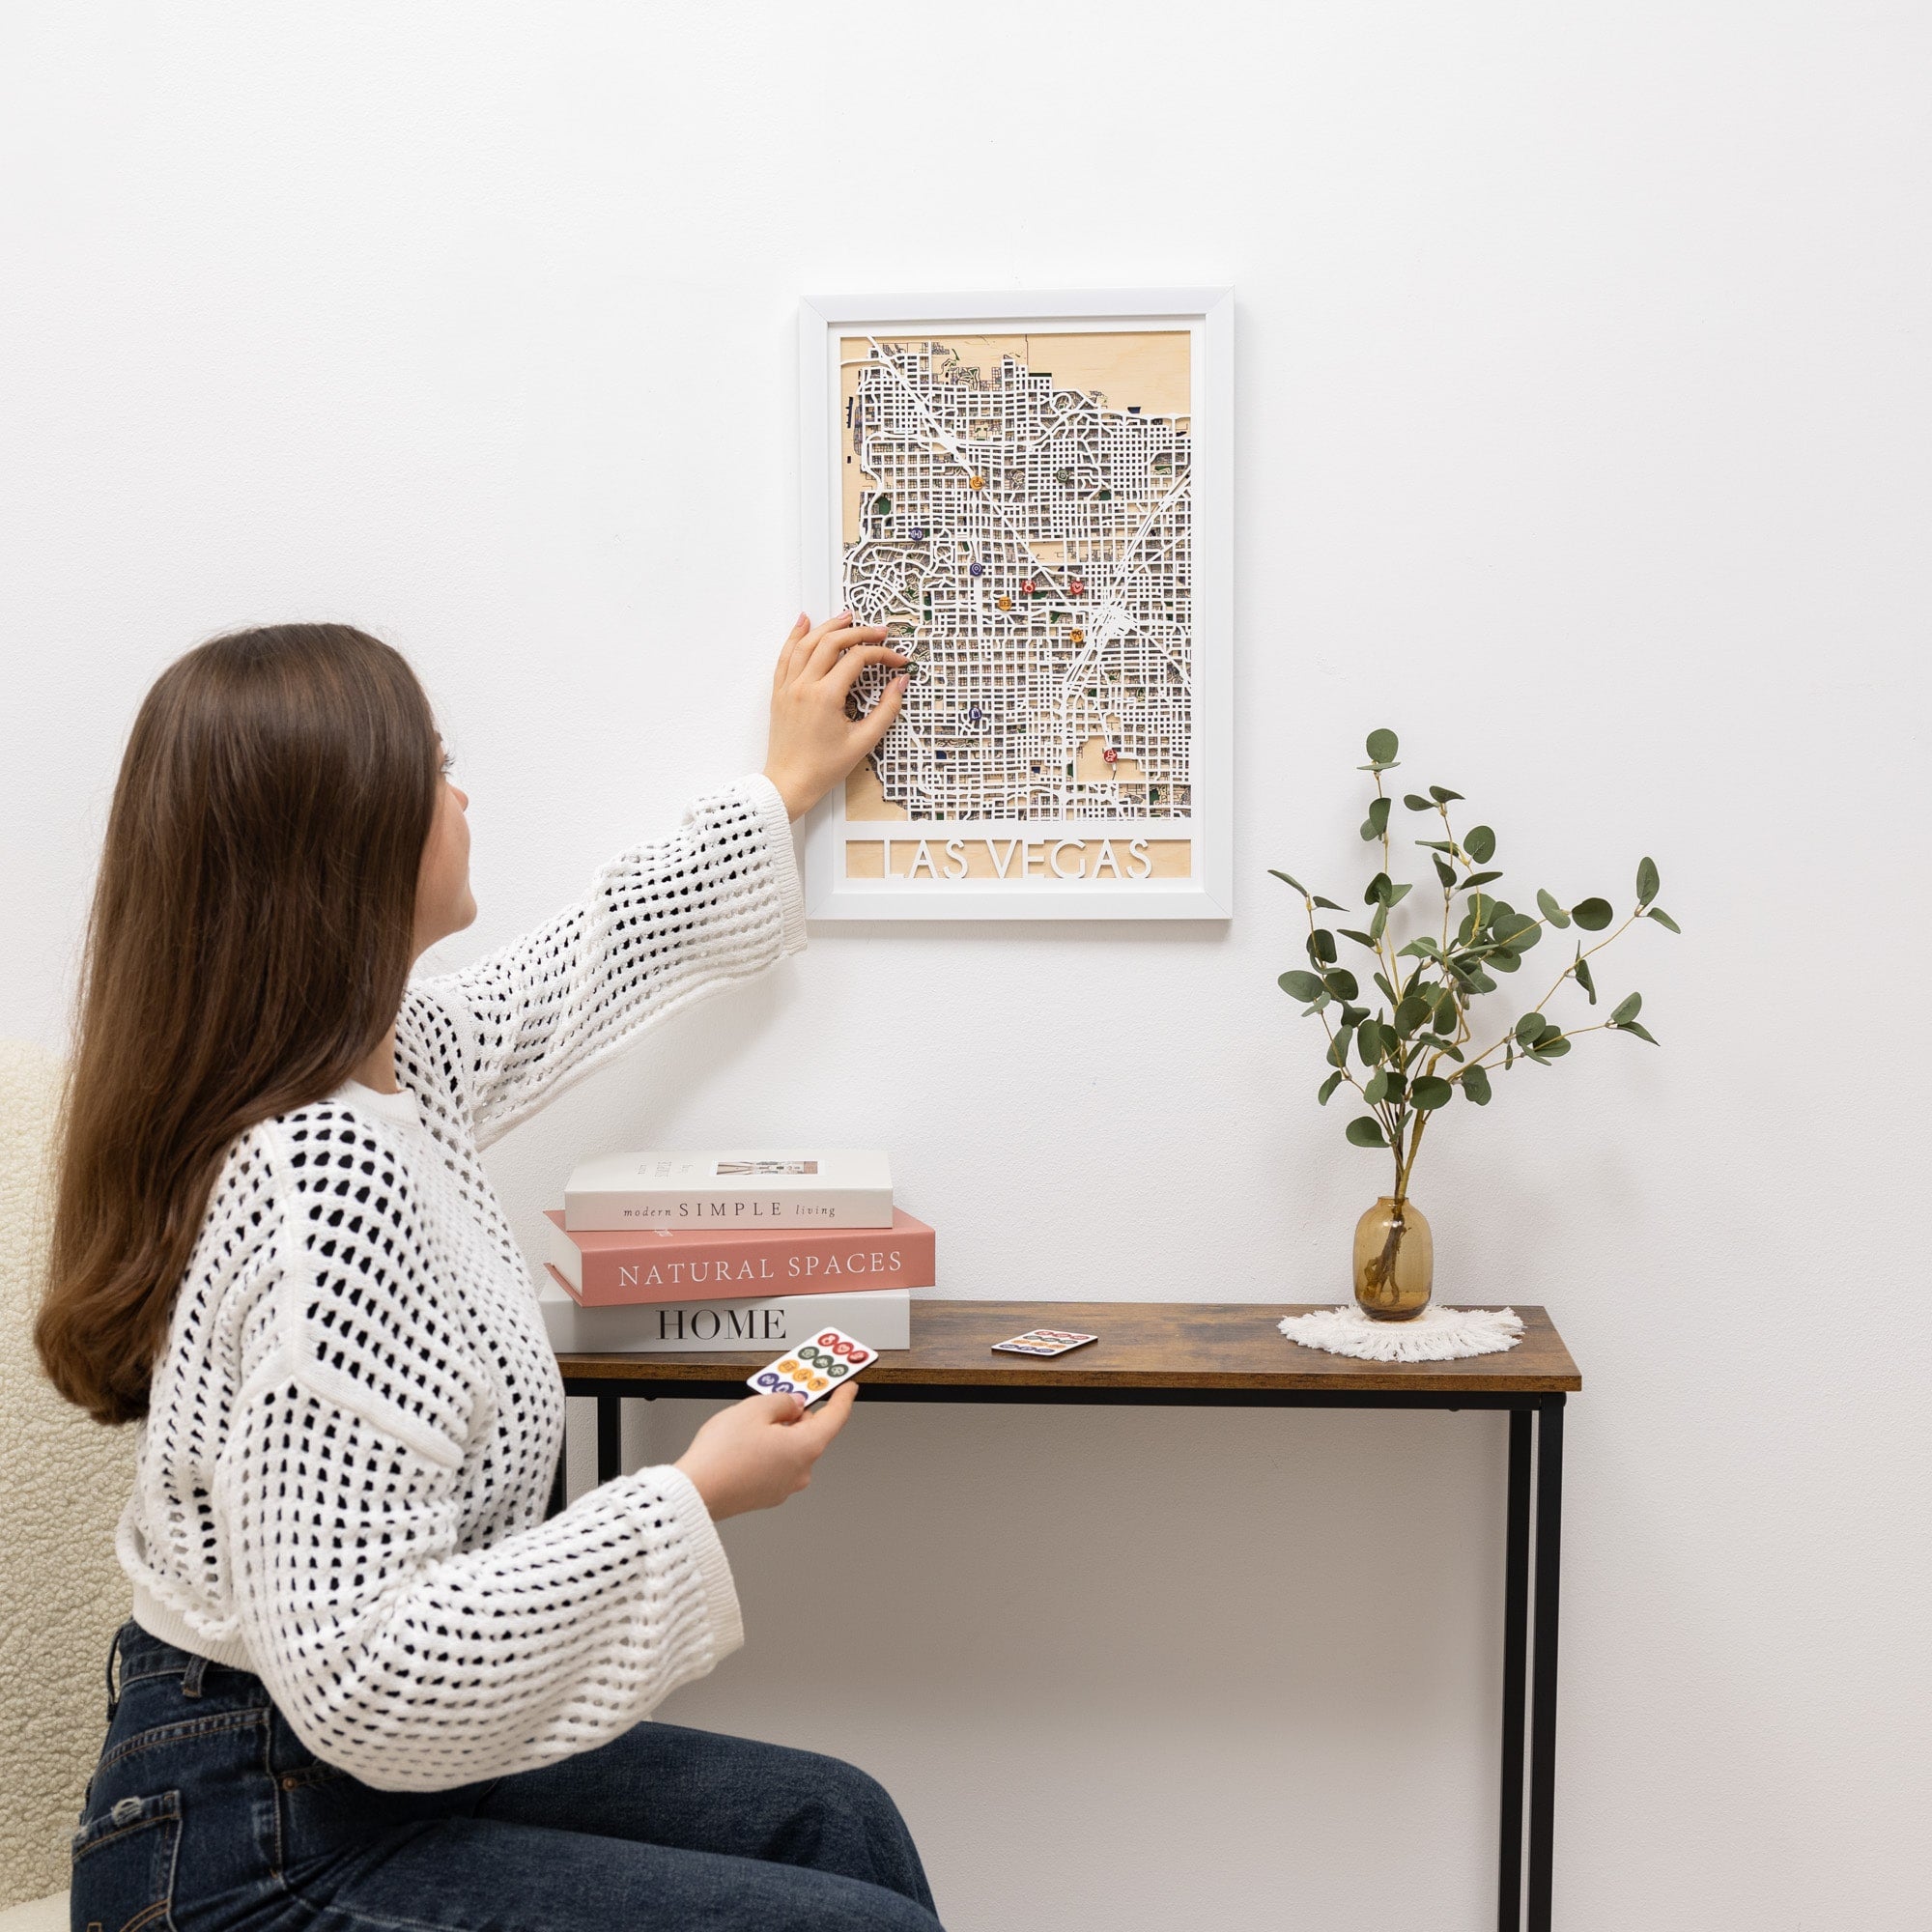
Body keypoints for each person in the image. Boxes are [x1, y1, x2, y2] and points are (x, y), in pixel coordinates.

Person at [34, 614, 946, 1932]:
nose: (461, 793)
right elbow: (360, 1675)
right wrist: (693, 1497)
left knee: (837, 1820)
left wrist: (782, 787)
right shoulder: (327, 1186)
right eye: (434, 767)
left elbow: (578, 970)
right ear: (342, 841)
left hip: (332, 1783)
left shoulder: (382, 1070)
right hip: (249, 1845)